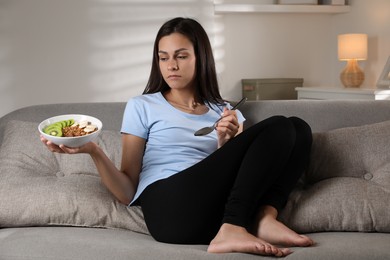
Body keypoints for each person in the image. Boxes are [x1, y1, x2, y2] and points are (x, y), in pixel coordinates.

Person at [41, 17, 314, 257]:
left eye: (181, 56)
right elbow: (127, 192)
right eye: (163, 57)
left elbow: (244, 177)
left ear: (200, 57)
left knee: (298, 128)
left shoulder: (226, 112)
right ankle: (234, 228)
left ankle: (265, 217)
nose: (171, 65)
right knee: (279, 125)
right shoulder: (142, 105)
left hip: (212, 215)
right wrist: (93, 150)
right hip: (170, 208)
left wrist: (224, 144)